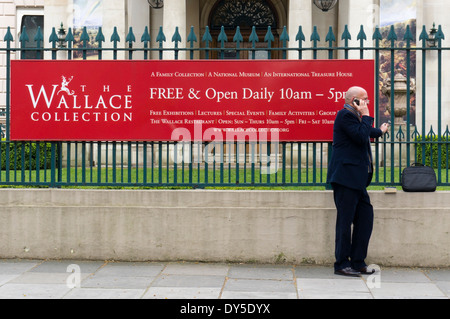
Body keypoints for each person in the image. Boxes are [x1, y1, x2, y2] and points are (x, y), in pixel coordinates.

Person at [327, 86, 389, 277]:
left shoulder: (354, 118)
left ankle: (357, 261)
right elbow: (361, 135)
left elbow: (365, 133)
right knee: (345, 223)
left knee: (365, 219)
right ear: (354, 100)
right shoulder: (344, 115)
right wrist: (367, 114)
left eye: (367, 100)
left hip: (358, 180)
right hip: (346, 178)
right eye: (364, 99)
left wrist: (379, 131)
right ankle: (341, 264)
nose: (367, 102)